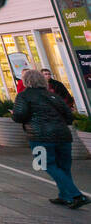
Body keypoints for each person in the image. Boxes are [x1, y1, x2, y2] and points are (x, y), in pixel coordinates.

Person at [11, 68, 86, 208]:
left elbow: (19, 115)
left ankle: (77, 195)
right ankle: (65, 196)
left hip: (39, 136)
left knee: (45, 164)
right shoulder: (53, 95)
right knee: (63, 167)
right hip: (63, 136)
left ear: (26, 81)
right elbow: (69, 117)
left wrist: (13, 114)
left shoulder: (24, 96)